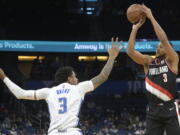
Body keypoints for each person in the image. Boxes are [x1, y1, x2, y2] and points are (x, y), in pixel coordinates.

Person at [0, 37, 122, 135]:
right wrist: (111, 57)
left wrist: (4, 77)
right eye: (75, 76)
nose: (77, 79)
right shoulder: (79, 88)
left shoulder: (49, 92)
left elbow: (20, 94)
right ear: (69, 78)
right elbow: (103, 76)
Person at [126, 4, 180, 135]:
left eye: (161, 47)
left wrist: (151, 17)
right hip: (153, 111)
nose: (158, 47)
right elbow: (130, 51)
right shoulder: (149, 61)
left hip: (170, 108)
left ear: (168, 49)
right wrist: (135, 29)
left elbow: (163, 39)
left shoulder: (172, 59)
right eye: (157, 46)